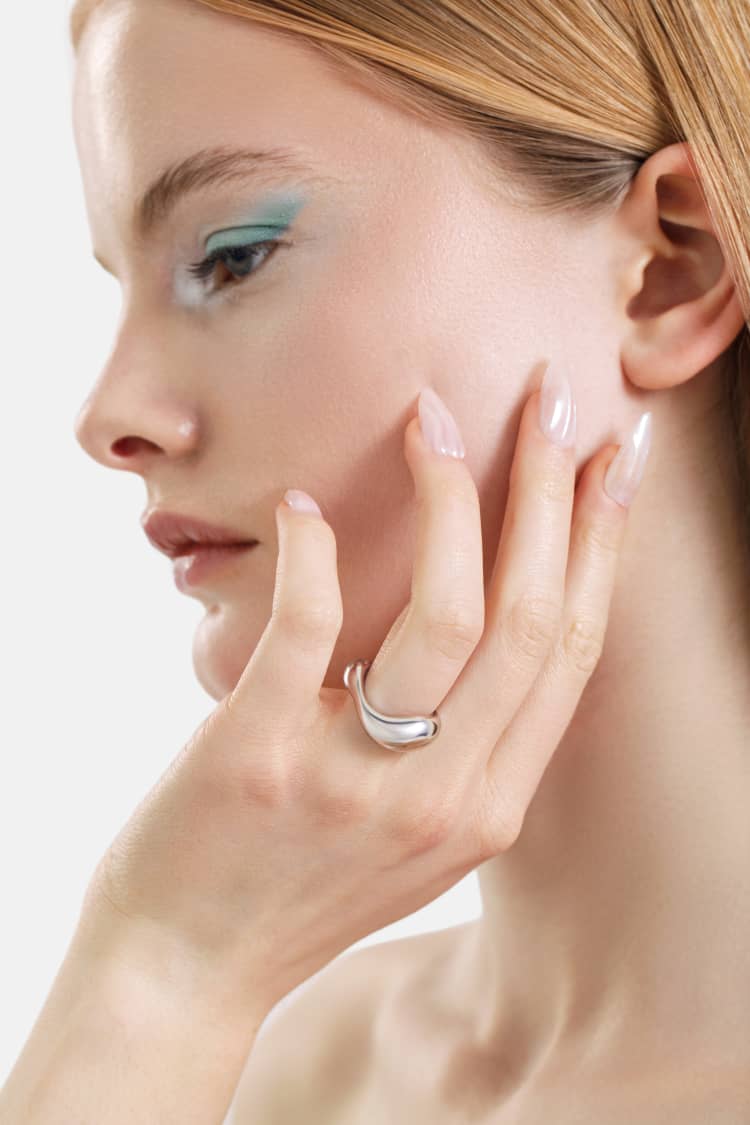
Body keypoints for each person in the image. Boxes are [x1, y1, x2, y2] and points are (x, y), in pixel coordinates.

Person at [2, 0, 748, 1120]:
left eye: (232, 257)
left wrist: (171, 977)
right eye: (125, 287)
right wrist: (161, 964)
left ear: (670, 266)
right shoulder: (300, 1070)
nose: (109, 415)